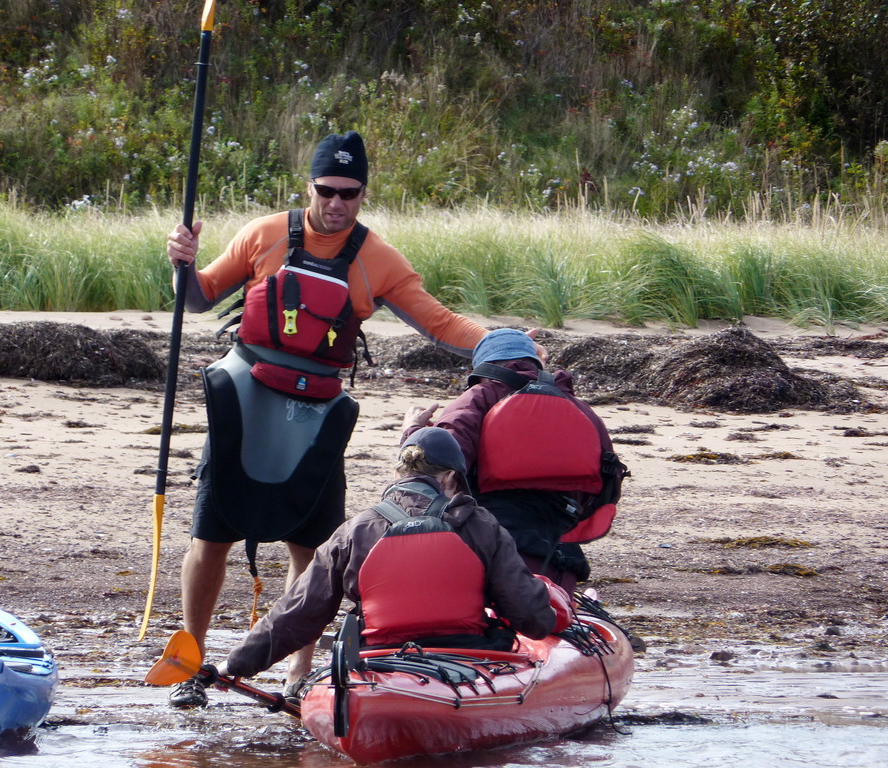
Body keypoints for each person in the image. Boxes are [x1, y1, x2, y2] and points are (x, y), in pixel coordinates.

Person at [164, 131, 513, 708]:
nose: (337, 204)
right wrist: (181, 263)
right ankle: (191, 659)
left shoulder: (378, 260)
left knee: (312, 547)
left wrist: (507, 348)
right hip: (245, 406)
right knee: (211, 535)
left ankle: (298, 673)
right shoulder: (263, 234)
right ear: (311, 187)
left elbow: (442, 325)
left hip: (317, 419)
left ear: (363, 194)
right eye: (327, 191)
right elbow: (198, 297)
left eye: (350, 194)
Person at [223, 427, 565, 690]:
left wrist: (232, 666)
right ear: (449, 478)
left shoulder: (354, 531)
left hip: (379, 665)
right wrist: (551, 617)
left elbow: (296, 614)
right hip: (468, 660)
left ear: (399, 475)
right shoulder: (480, 525)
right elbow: (530, 618)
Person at [402, 329, 627, 596]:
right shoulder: (578, 406)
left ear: (483, 367)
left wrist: (413, 431)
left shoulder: (478, 397)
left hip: (491, 539)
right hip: (560, 549)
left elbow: (430, 466)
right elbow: (608, 477)